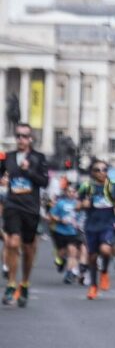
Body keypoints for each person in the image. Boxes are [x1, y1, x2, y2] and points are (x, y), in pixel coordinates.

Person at [0, 122, 49, 307]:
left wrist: (28, 171)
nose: (21, 139)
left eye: (24, 136)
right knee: (12, 243)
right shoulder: (8, 157)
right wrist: (3, 180)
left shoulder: (39, 158)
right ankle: (12, 283)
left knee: (28, 249)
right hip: (12, 205)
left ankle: (25, 283)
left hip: (30, 208)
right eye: (18, 136)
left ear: (30, 139)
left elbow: (44, 182)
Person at [77, 160, 115, 300]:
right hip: (91, 225)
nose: (101, 172)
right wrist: (82, 205)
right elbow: (77, 204)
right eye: (98, 170)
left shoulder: (114, 186)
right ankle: (93, 286)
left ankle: (105, 272)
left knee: (105, 250)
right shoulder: (86, 186)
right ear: (92, 172)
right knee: (93, 256)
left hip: (107, 224)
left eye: (104, 169)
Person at [49, 184, 82, 284]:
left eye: (73, 192)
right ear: (66, 193)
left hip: (72, 232)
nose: (71, 193)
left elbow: (81, 216)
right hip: (60, 231)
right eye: (69, 191)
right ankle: (61, 260)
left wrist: (78, 224)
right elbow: (52, 215)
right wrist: (60, 220)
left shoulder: (78, 204)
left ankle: (69, 273)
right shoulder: (60, 203)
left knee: (72, 251)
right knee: (62, 252)